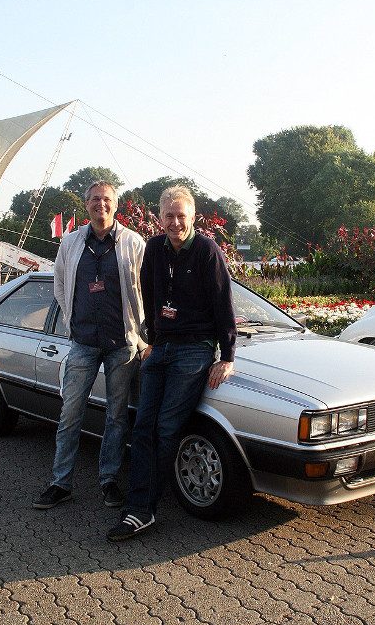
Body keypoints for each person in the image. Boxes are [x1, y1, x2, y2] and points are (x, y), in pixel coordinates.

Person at [107, 185, 236, 540]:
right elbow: (148, 294)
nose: (175, 222)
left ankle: (142, 509)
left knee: (166, 428)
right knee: (143, 426)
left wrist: (226, 356)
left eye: (182, 215)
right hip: (161, 348)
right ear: (160, 217)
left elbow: (224, 304)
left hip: (194, 350)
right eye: (169, 215)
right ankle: (139, 504)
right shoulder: (154, 249)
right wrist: (152, 336)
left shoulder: (207, 251)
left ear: (192, 217)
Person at [33, 181, 145, 510]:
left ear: (115, 205)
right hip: (82, 342)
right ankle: (60, 483)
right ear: (87, 205)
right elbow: (60, 284)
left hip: (121, 345)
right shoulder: (70, 243)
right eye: (95, 199)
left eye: (107, 199)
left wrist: (139, 333)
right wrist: (72, 318)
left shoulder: (132, 242)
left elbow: (143, 288)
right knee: (70, 414)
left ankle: (109, 480)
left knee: (117, 417)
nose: (101, 204)